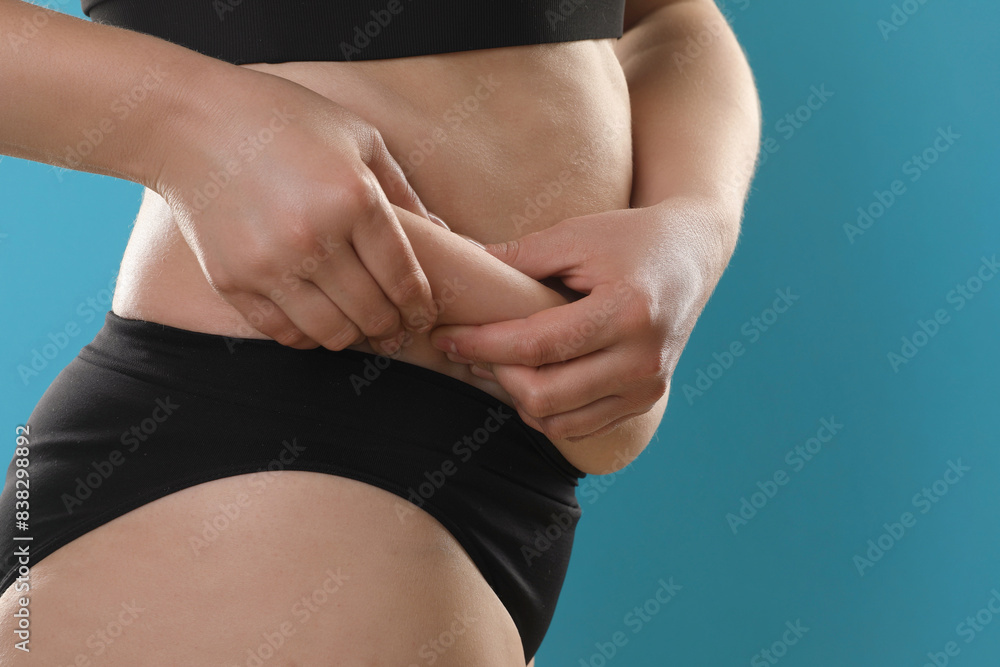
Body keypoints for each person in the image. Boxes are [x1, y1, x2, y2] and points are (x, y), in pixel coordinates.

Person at [0, 0, 760, 663]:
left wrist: (692, 225)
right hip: (274, 441)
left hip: (459, 477)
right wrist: (189, 128)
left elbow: (668, 17)